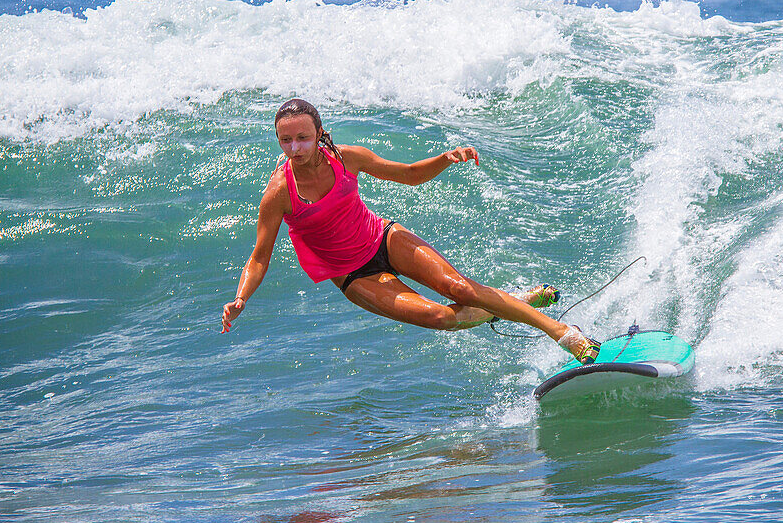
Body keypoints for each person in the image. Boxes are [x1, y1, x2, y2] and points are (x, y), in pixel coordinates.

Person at [222, 98, 601, 364]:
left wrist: (445, 159)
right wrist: (241, 299)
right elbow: (259, 256)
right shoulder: (279, 192)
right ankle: (511, 304)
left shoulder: (346, 158)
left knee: (461, 289)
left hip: (383, 238)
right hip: (354, 276)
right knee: (443, 317)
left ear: (319, 132)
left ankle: (564, 334)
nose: (295, 147)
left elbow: (408, 176)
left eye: (303, 137)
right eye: (286, 140)